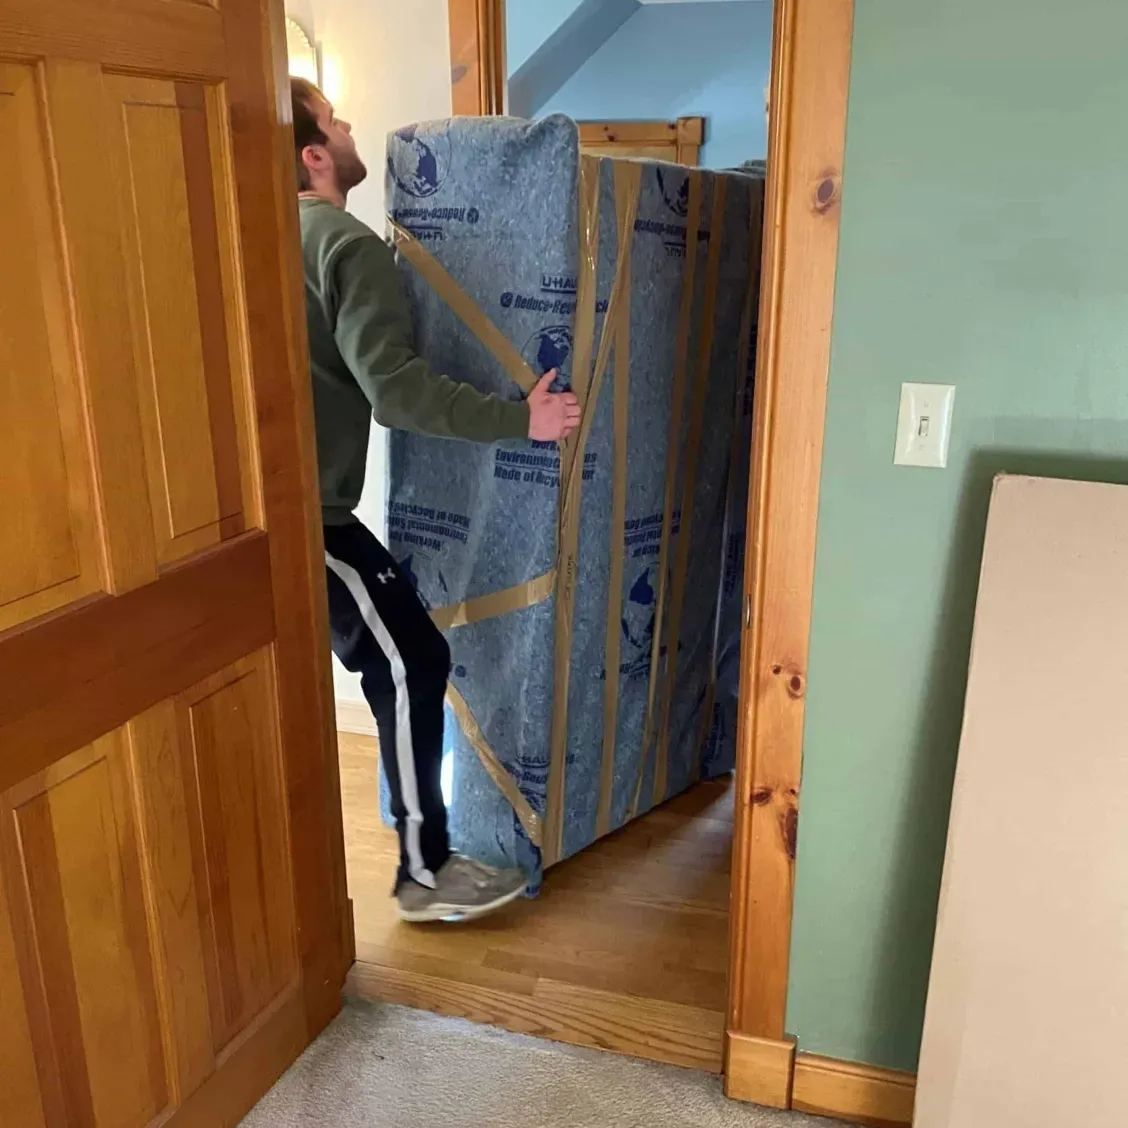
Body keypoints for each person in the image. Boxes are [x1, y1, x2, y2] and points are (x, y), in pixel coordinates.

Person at [290, 78, 580, 922]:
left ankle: (414, 865)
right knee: (412, 660)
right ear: (314, 155)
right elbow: (397, 391)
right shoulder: (343, 245)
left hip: (264, 510)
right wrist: (522, 420)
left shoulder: (252, 237)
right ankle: (424, 874)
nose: (350, 127)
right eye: (334, 121)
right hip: (307, 517)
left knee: (390, 663)